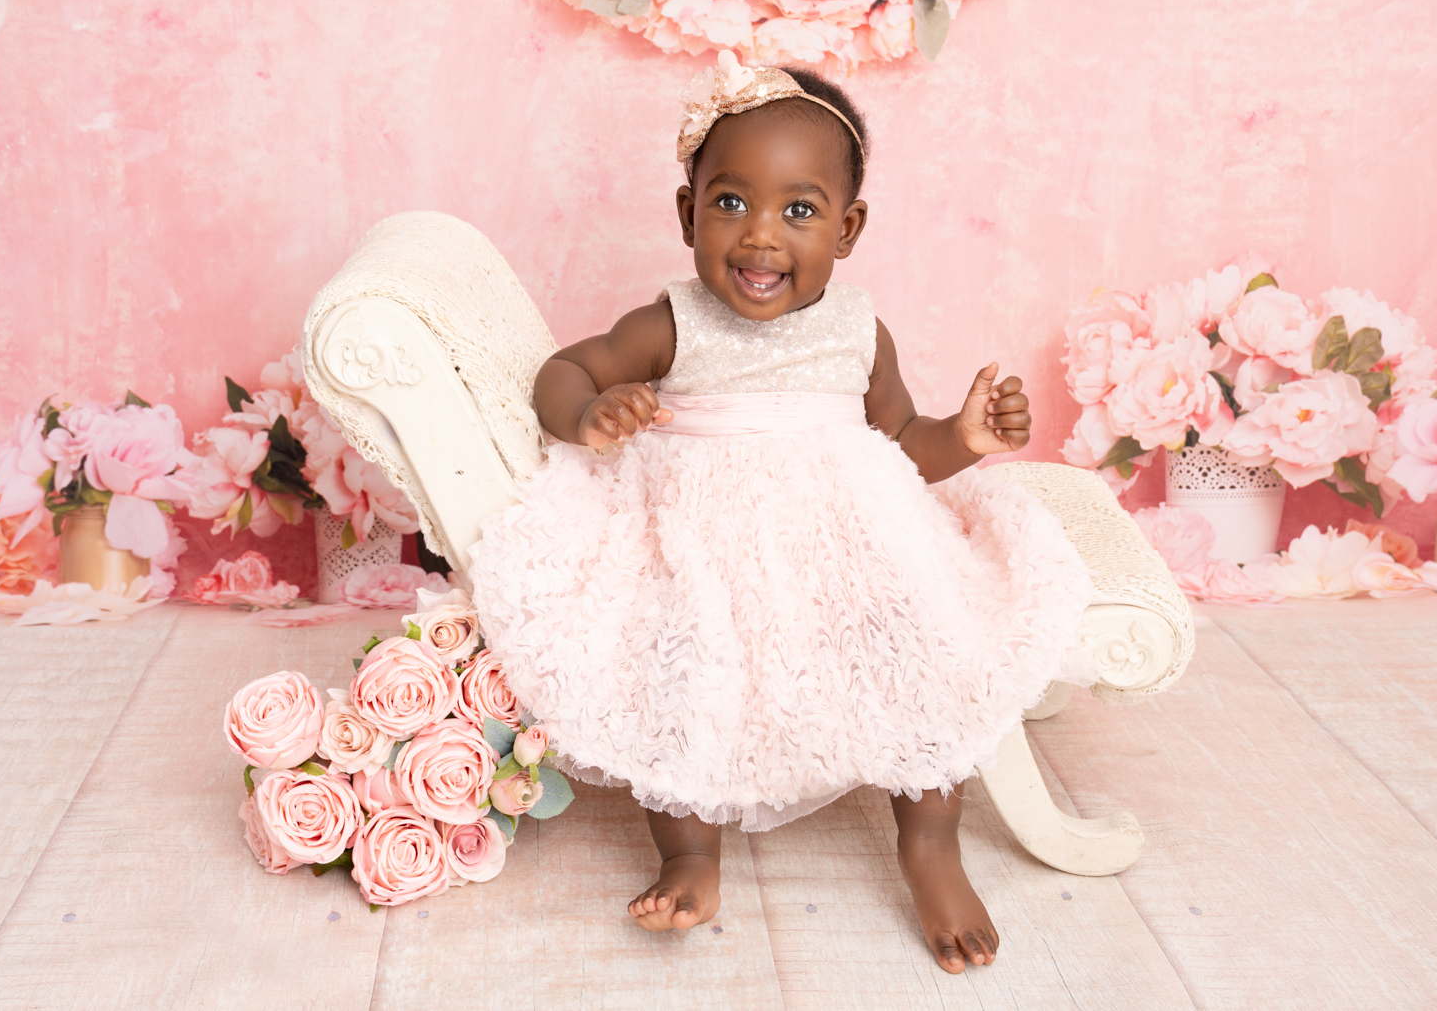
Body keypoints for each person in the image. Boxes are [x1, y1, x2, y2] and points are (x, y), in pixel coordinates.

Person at [468, 52, 1092, 974]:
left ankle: (930, 843)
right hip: (704, 546)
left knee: (925, 646)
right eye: (731, 202)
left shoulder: (858, 331)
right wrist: (590, 410)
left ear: (848, 228)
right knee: (675, 667)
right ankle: (690, 850)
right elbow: (566, 368)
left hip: (847, 546)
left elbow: (901, 441)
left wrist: (963, 436)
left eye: (799, 210)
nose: (760, 236)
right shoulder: (672, 324)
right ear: (688, 212)